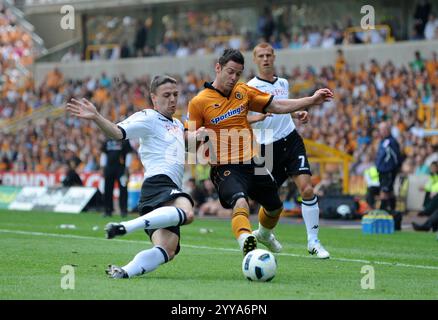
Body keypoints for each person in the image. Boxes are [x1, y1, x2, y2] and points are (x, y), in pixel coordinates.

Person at [187, 48, 333, 256]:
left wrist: (311, 100)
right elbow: (189, 144)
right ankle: (247, 240)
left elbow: (277, 106)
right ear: (218, 68)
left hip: (253, 162)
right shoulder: (199, 102)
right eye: (230, 71)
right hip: (225, 167)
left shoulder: (243, 92)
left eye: (238, 73)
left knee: (275, 207)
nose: (233, 77)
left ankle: (264, 234)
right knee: (240, 201)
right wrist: (196, 137)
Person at [66, 75, 195, 279]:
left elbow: (182, 144)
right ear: (154, 98)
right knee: (186, 212)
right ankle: (126, 226)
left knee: (168, 250)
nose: (172, 99)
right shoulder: (148, 117)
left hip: (159, 190)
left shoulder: (177, 124)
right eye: (166, 95)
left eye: (176, 95)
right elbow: (118, 133)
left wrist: (201, 137)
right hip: (159, 182)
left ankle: (124, 271)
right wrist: (97, 117)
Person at [246, 42, 330, 258]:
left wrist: (296, 113)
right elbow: (244, 117)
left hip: (291, 140)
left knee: (308, 189)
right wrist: (257, 118)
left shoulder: (282, 82)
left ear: (274, 57)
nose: (265, 59)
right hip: (266, 148)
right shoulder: (248, 88)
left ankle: (314, 241)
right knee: (271, 203)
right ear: (255, 60)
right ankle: (264, 234)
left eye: (268, 55)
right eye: (261, 56)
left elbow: (281, 106)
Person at [100, 138, 133, 217]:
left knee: (123, 189)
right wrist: (102, 167)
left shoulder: (124, 140)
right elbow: (104, 154)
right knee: (107, 189)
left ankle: (123, 211)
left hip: (121, 169)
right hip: (109, 168)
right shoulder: (107, 140)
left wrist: (127, 168)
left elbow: (128, 154)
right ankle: (108, 210)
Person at [375, 121, 402, 213]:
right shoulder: (383, 141)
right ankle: (392, 209)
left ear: (387, 130)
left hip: (388, 170)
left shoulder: (391, 142)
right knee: (388, 190)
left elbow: (396, 156)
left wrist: (394, 167)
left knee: (385, 190)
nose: (381, 131)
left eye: (382, 129)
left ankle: (383, 210)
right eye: (380, 129)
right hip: (382, 170)